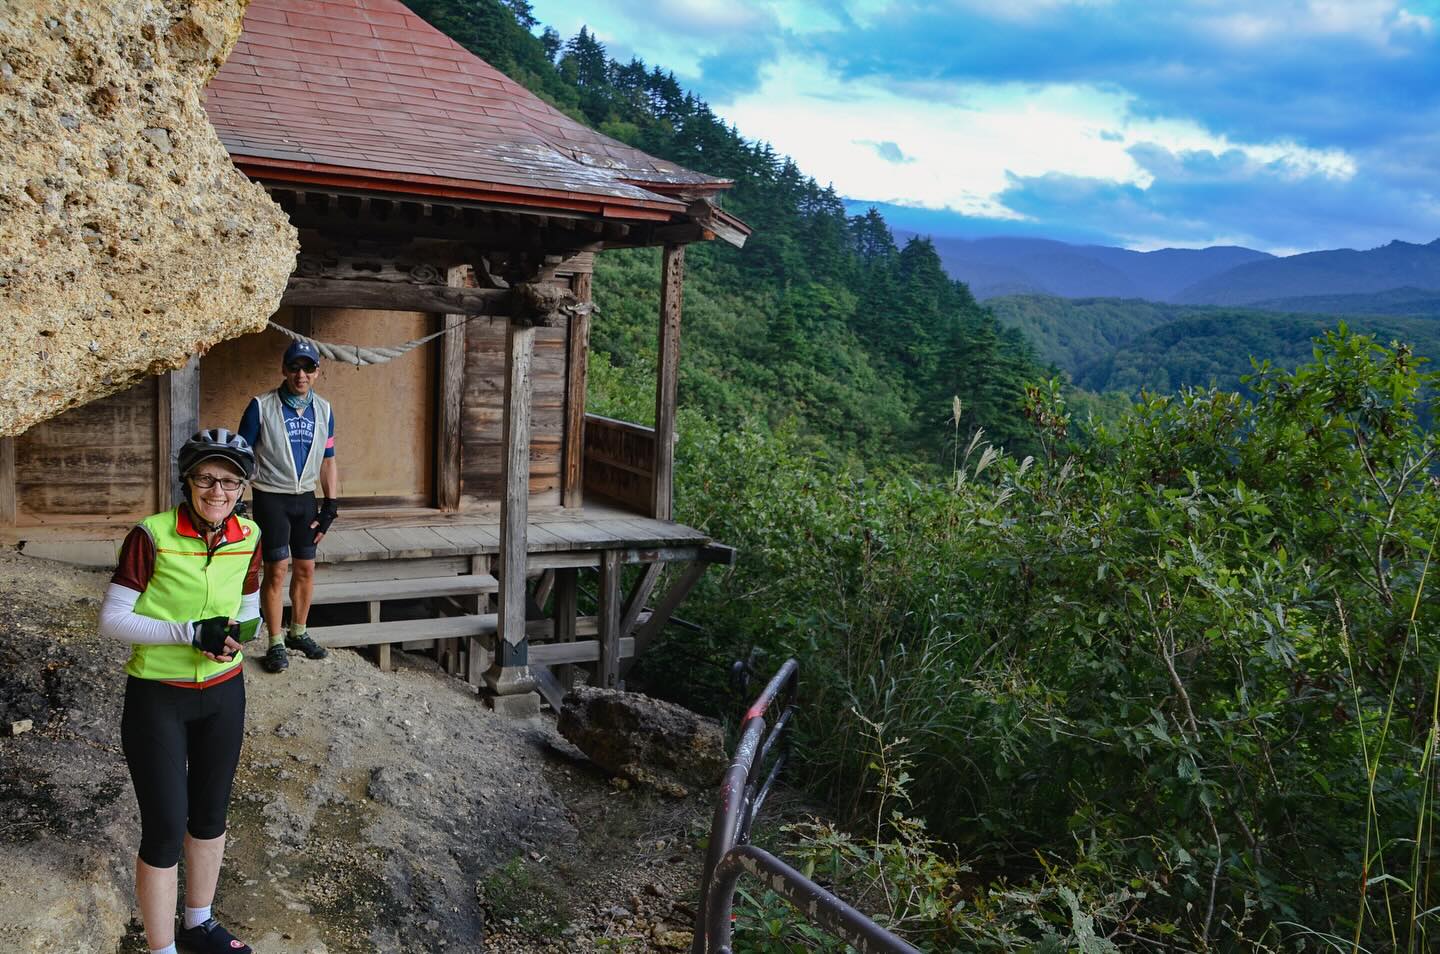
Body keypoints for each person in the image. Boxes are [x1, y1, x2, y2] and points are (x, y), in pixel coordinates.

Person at [99, 428, 262, 954]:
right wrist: (190, 632)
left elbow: (249, 605)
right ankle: (161, 948)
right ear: (188, 480)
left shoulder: (249, 536)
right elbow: (113, 620)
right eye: (207, 478)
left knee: (210, 815)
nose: (218, 491)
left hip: (223, 693)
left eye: (230, 481)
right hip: (158, 697)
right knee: (166, 828)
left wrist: (241, 632)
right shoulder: (152, 534)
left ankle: (199, 924)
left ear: (243, 487)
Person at [238, 338, 339, 673]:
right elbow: (241, 457)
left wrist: (331, 506)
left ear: (317, 373)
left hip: (306, 499)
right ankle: (275, 641)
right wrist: (236, 500)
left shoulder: (324, 409)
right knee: (277, 569)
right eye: (294, 367)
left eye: (308, 368)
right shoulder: (260, 406)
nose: (301, 374)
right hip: (271, 497)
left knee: (307, 568)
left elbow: (328, 460)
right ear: (284, 369)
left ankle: (299, 631)